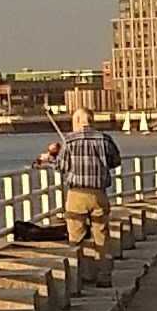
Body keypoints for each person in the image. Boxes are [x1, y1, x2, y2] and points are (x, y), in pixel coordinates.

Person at [43, 97, 123, 263]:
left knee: (76, 236)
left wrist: (49, 158)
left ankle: (81, 272)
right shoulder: (105, 139)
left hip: (77, 194)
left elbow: (62, 167)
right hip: (99, 194)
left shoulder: (69, 140)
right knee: (101, 235)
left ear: (79, 121)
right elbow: (116, 162)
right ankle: (105, 273)